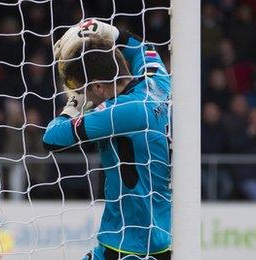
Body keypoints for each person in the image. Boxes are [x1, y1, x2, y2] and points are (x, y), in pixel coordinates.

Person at [44, 19, 171, 260]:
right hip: (157, 231)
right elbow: (141, 48)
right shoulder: (157, 81)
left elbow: (52, 139)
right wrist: (102, 29)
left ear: (100, 87)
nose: (83, 93)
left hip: (130, 244)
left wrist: (72, 105)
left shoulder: (119, 112)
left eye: (84, 88)